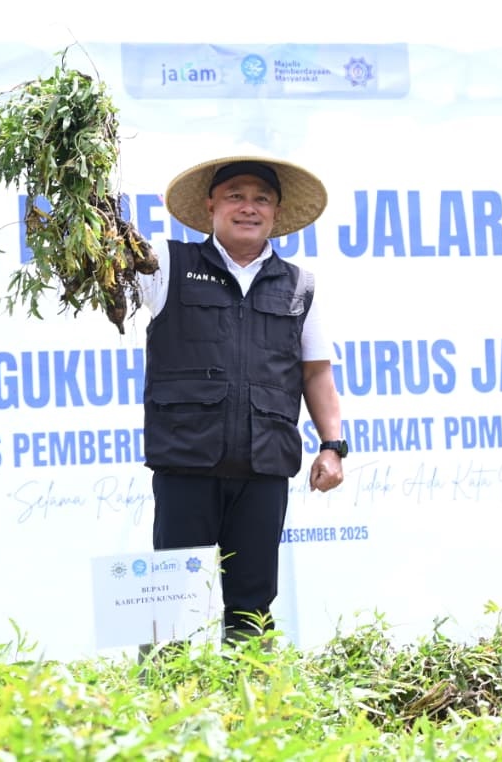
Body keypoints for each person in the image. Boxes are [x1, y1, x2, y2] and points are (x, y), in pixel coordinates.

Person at [138, 155, 349, 647]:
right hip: (186, 461)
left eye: (261, 199)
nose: (248, 208)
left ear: (276, 213)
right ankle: (161, 693)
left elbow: (316, 372)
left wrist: (332, 445)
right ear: (210, 205)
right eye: (235, 196)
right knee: (170, 600)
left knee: (253, 605)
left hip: (263, 465)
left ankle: (251, 693)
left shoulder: (299, 285)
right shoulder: (167, 264)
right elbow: (102, 265)